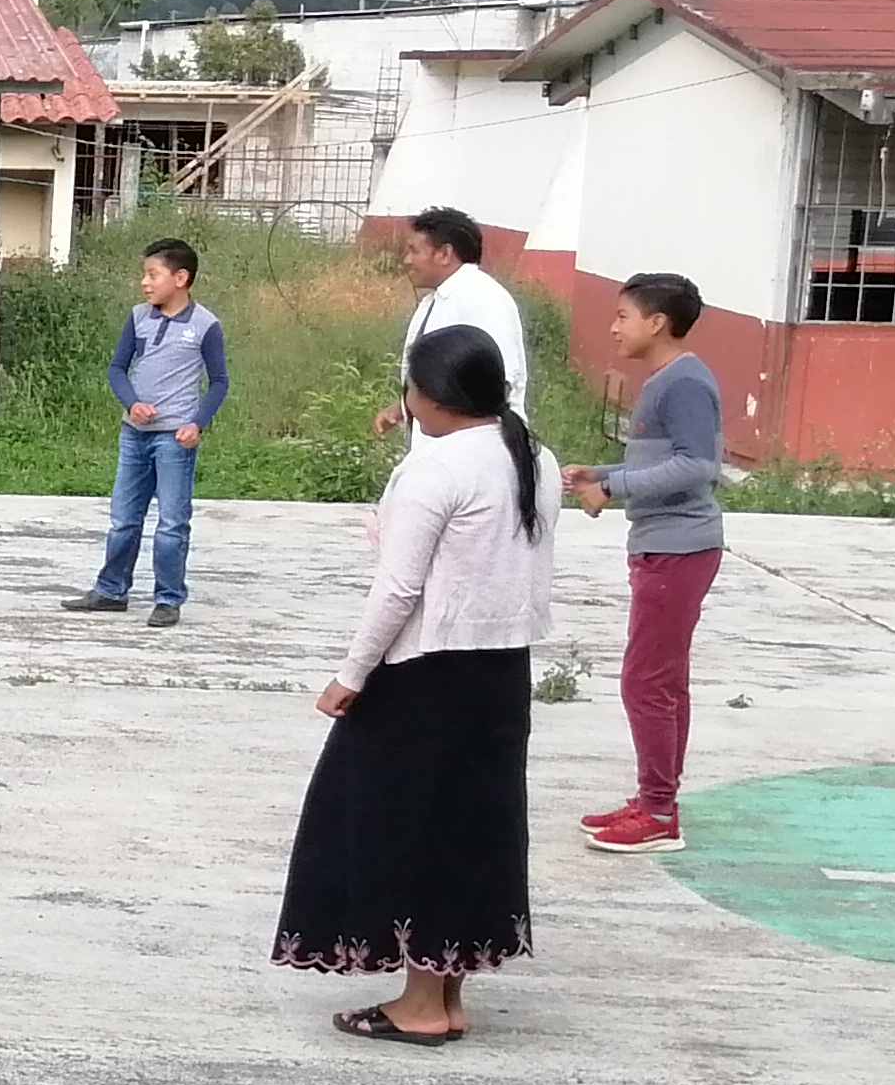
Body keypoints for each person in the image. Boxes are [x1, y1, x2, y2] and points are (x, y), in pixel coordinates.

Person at [276, 325, 560, 1042]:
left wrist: (350, 674)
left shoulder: (435, 470)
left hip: (426, 671)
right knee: (470, 828)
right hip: (500, 671)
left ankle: (424, 1006)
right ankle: (443, 993)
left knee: (403, 827)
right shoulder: (533, 456)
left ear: (429, 393)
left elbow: (399, 590)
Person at [567, 271, 723, 854]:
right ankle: (657, 797)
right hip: (668, 546)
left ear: (657, 323)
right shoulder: (669, 379)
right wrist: (600, 475)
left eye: (623, 316)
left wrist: (614, 490)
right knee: (663, 681)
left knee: (645, 683)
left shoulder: (681, 383)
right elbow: (668, 460)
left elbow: (696, 466)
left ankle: (658, 814)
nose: (614, 327)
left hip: (678, 548)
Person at [63, 236, 228, 627]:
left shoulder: (205, 325)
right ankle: (111, 590)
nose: (145, 283)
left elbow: (219, 382)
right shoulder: (138, 317)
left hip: (174, 439)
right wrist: (131, 403)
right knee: (124, 518)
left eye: (154, 275)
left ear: (181, 278)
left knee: (172, 522)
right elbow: (117, 368)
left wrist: (196, 423)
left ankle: (168, 599)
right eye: (145, 275)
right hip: (134, 435)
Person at [375, 205, 532, 430]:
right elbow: (440, 376)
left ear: (445, 254)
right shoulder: (439, 297)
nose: (407, 260)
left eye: (414, 251)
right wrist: (402, 408)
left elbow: (497, 379)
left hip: (476, 447)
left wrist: (461, 442)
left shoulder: (481, 297)